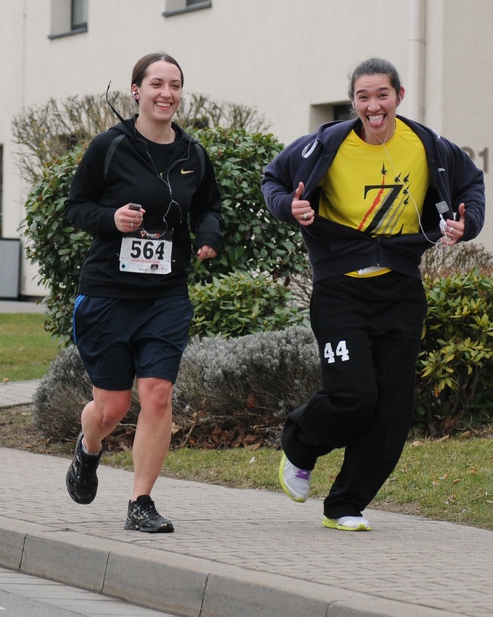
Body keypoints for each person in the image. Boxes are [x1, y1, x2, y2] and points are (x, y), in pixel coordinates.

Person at [262, 57, 485, 532]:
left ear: (398, 96)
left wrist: (468, 226)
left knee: (393, 409)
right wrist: (290, 207)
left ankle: (346, 503)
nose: (372, 105)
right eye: (363, 96)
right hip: (339, 288)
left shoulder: (428, 145)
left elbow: (470, 184)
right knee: (354, 396)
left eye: (381, 94)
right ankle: (300, 444)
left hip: (400, 289)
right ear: (354, 103)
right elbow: (274, 181)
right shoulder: (326, 143)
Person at [64, 53, 224, 533]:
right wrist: (111, 220)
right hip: (109, 293)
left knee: (157, 395)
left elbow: (210, 206)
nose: (166, 93)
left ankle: (141, 503)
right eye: (156, 83)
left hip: (165, 295)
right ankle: (88, 447)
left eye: (175, 84)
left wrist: (209, 236)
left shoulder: (193, 154)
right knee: (111, 408)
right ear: (136, 90)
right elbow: (75, 207)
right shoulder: (109, 147)